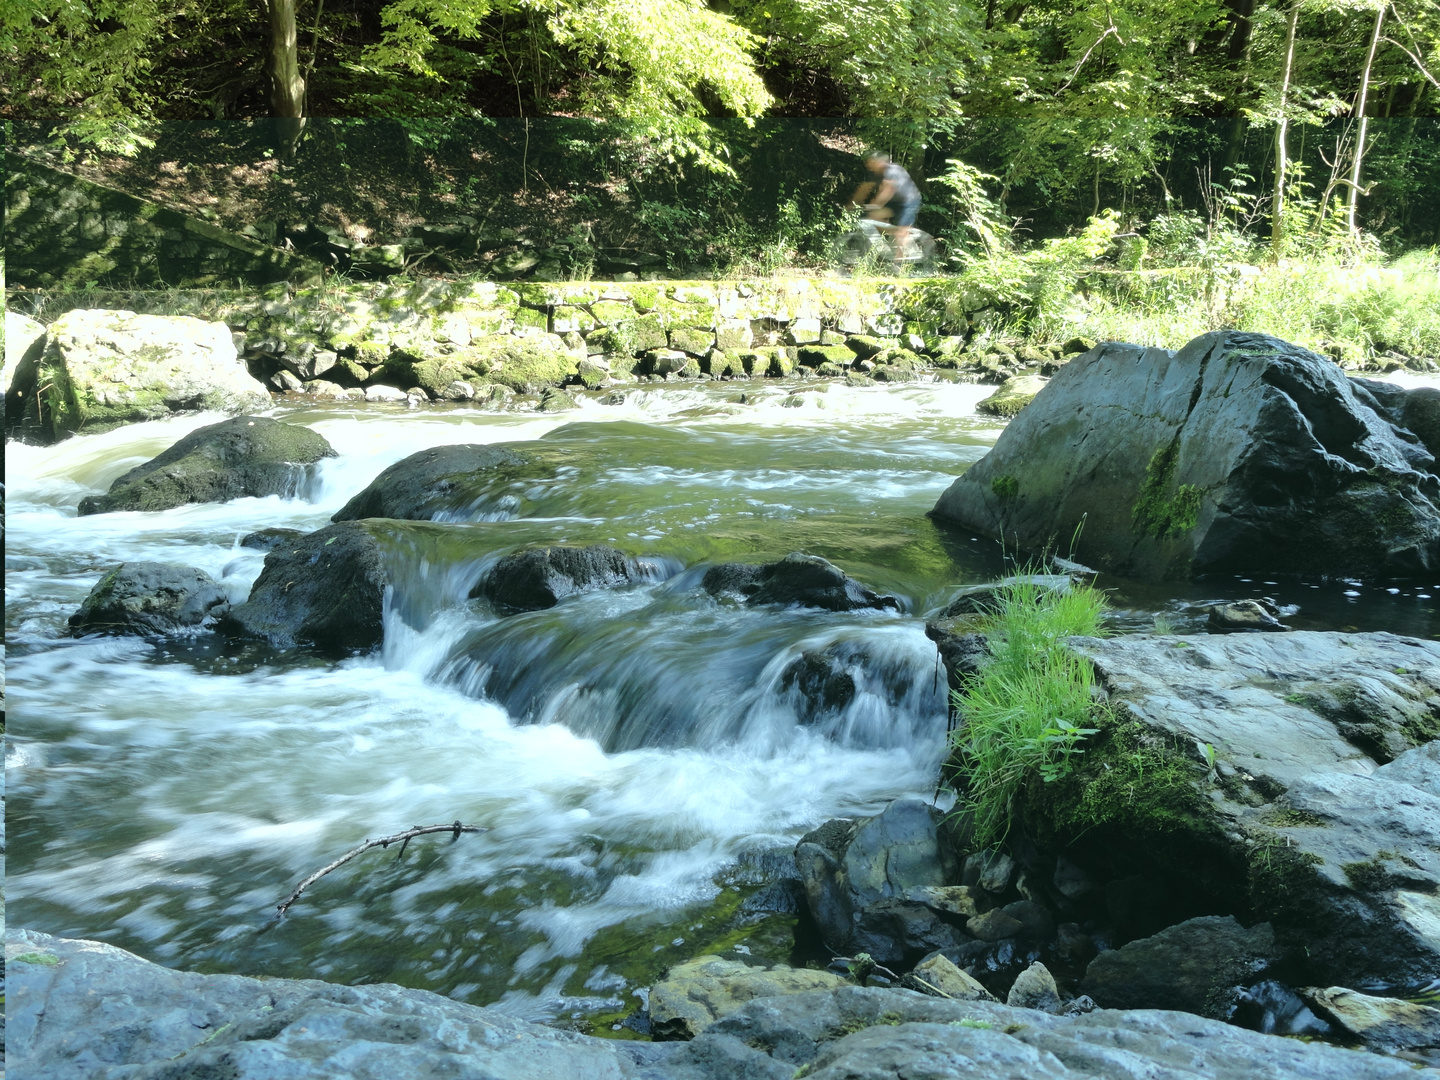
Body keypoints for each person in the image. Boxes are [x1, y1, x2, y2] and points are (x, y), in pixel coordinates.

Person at [850, 154, 921, 268]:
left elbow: (888, 191)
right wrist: (852, 205)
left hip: (909, 201)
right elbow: (864, 189)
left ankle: (898, 265)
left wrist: (875, 205)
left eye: (870, 162)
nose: (868, 165)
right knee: (872, 218)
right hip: (894, 201)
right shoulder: (874, 173)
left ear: (879, 162)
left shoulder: (892, 170)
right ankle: (885, 245)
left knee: (901, 231)